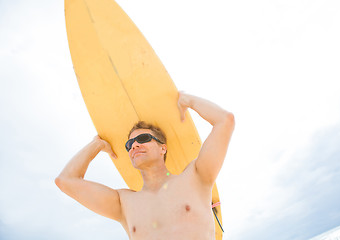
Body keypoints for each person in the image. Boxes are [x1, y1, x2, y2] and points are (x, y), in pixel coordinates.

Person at [55, 92, 235, 240]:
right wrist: (97, 144)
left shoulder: (196, 177)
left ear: (162, 148)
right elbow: (65, 181)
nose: (134, 145)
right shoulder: (123, 203)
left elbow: (225, 121)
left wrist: (187, 100)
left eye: (142, 139)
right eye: (129, 144)